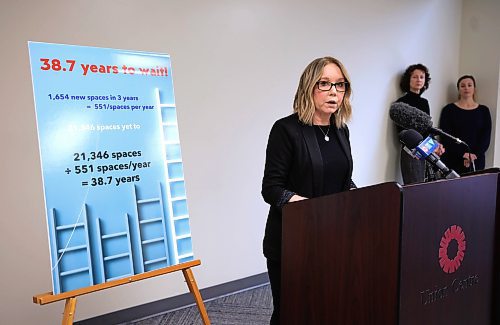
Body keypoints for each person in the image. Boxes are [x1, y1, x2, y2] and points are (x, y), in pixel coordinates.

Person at [261, 57, 356, 325]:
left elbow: (342, 179)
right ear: (309, 88)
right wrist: (309, 210)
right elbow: (272, 188)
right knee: (292, 313)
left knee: (326, 309)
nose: (333, 91)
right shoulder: (286, 130)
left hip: (332, 241)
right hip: (292, 243)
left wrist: (360, 198)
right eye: (324, 84)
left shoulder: (341, 130)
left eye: (339, 85)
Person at [394, 63, 443, 184]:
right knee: (414, 187)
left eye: (422, 77)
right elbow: (403, 133)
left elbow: (427, 129)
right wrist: (429, 146)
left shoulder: (424, 102)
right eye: (415, 77)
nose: (419, 80)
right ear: (408, 80)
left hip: (425, 149)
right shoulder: (401, 103)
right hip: (411, 151)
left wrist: (435, 145)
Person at [439, 75, 491, 175]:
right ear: (458, 89)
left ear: (474, 89)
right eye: (462, 86)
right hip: (453, 158)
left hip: (476, 160)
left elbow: (485, 137)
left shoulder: (484, 110)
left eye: (469, 85)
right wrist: (463, 154)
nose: (466, 88)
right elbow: (445, 136)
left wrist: (473, 155)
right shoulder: (448, 110)